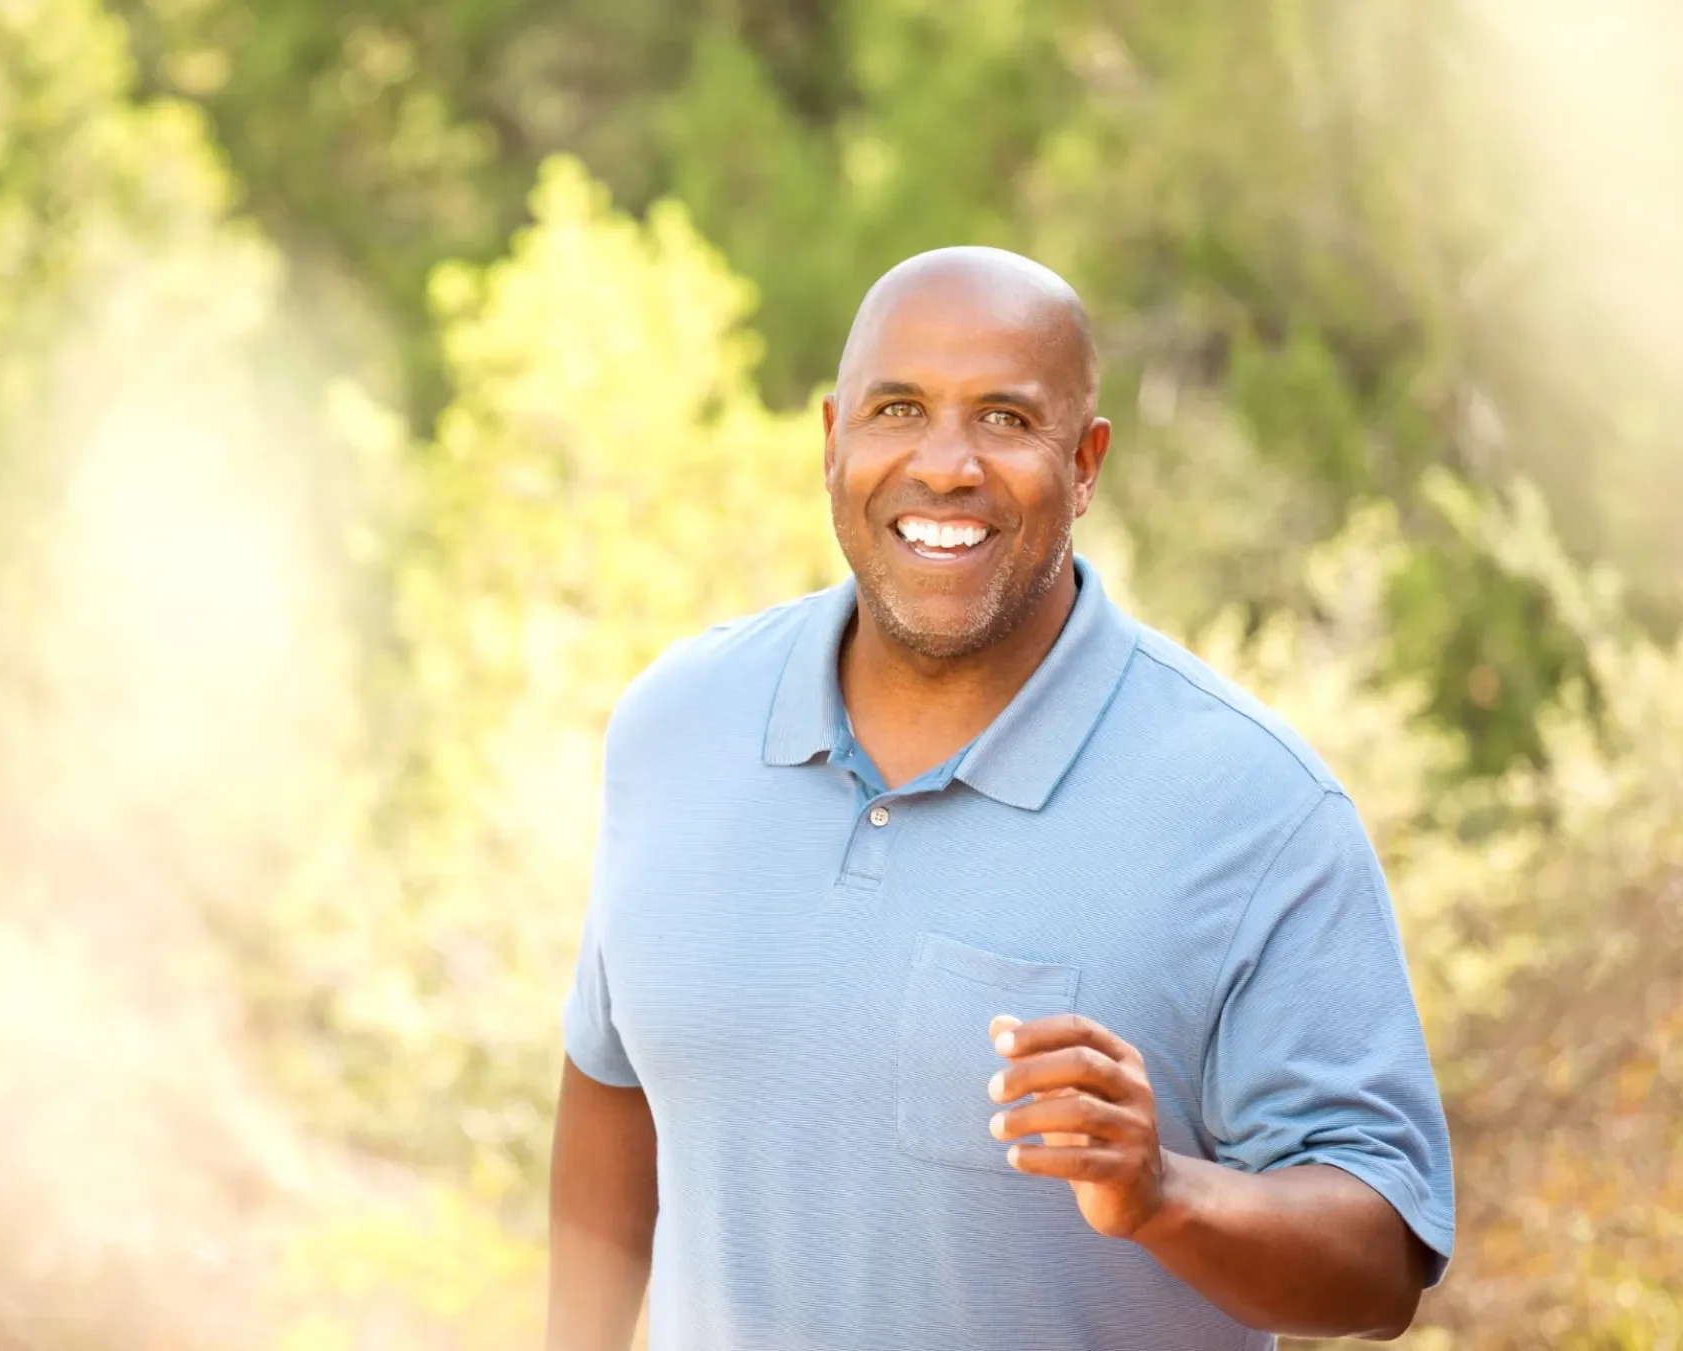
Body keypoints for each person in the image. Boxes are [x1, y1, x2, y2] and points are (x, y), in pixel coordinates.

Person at [546, 247, 1455, 1351]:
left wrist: (1165, 1193)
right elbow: (613, 1084)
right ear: (832, 439)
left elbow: (1382, 1263)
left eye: (1006, 420)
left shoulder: (1256, 809)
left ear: (1085, 465)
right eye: (898, 409)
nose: (944, 465)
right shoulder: (676, 724)